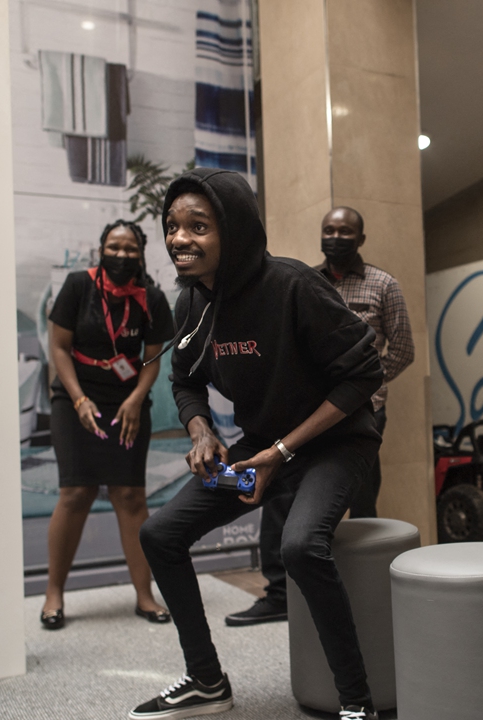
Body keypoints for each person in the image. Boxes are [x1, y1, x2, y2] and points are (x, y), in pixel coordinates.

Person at [131, 168, 384, 720]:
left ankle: (357, 703)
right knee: (161, 534)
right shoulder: (194, 304)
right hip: (259, 451)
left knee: (299, 547)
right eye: (172, 226)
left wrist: (281, 453)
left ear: (233, 230)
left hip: (335, 445)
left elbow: (365, 374)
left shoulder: (292, 285)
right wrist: (201, 431)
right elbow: (185, 380)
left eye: (197, 226)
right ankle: (206, 681)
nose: (179, 239)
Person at [223, 205, 415, 628]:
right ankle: (278, 593)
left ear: (361, 239)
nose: (336, 236)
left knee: (361, 500)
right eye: (329, 229)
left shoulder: (384, 284)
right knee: (279, 500)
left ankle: (369, 592)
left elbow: (401, 349)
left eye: (346, 231)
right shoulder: (300, 281)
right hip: (303, 417)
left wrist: (364, 388)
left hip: (362, 414)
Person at [41, 220, 175, 630]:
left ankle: (145, 595)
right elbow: (59, 347)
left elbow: (152, 358)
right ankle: (54, 594)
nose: (122, 255)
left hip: (127, 401)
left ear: (141, 253)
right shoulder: (78, 286)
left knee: (131, 495)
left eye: (130, 248)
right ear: (101, 250)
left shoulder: (151, 297)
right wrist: (79, 398)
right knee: (76, 492)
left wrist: (136, 398)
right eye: (114, 247)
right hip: (73, 396)